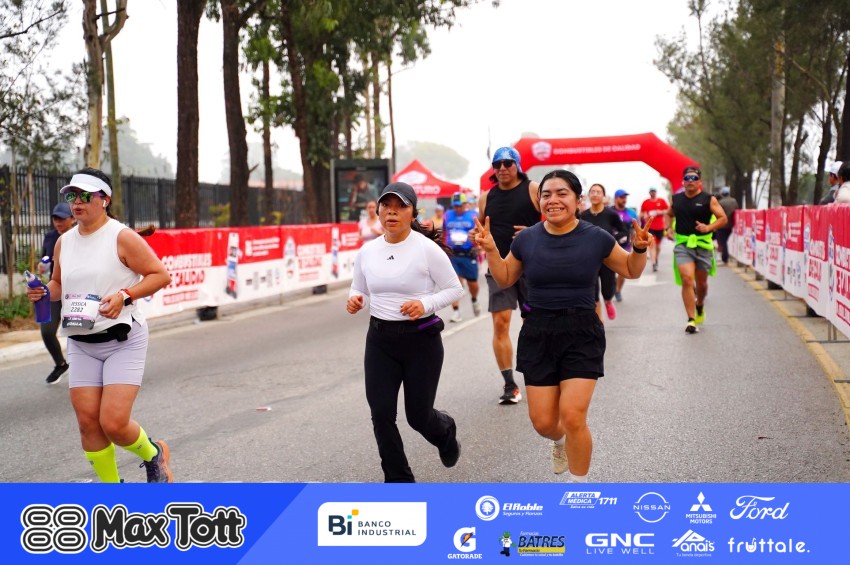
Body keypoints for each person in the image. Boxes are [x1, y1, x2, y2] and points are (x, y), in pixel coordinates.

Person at [473, 169, 651, 482]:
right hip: (538, 332)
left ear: (578, 200)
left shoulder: (596, 237)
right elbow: (505, 278)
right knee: (543, 423)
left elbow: (630, 269)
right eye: (546, 194)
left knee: (572, 416)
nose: (553, 200)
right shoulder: (527, 239)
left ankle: (578, 489)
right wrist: (491, 250)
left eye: (561, 193)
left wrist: (639, 248)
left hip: (582, 331)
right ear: (539, 201)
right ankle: (559, 442)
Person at [26, 168, 173, 483]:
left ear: (104, 200)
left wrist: (124, 295)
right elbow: (58, 284)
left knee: (114, 424)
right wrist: (43, 292)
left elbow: (160, 275)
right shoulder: (64, 242)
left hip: (122, 340)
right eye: (71, 195)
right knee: (88, 423)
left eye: (85, 195)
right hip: (81, 342)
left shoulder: (122, 237)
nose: (76, 202)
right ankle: (112, 491)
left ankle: (154, 454)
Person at [346, 182, 463, 483]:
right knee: (381, 414)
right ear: (379, 211)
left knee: (418, 417)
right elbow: (359, 288)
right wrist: (356, 299)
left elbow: (454, 289)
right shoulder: (367, 251)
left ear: (413, 213)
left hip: (420, 341)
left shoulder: (426, 249)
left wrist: (425, 304)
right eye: (386, 205)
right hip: (380, 341)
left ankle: (445, 431)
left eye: (400, 206)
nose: (392, 212)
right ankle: (399, 482)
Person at [476, 146, 540, 405]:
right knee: (500, 324)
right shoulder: (486, 197)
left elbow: (557, 220)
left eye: (507, 163)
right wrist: (476, 237)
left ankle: (537, 374)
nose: (502, 168)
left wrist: (534, 230)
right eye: (497, 164)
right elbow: (481, 228)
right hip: (498, 267)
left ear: (517, 165)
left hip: (531, 267)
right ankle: (510, 384)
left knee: (533, 323)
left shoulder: (533, 189)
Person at [665, 166, 727, 334]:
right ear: (683, 182)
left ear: (700, 181)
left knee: (701, 284)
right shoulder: (676, 199)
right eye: (687, 178)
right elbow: (668, 214)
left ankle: (699, 304)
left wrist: (708, 228)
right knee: (687, 279)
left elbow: (723, 218)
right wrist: (668, 229)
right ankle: (691, 319)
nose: (690, 181)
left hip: (703, 245)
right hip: (683, 244)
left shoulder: (708, 199)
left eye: (694, 178)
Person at [39, 202, 75, 384]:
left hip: (77, 292)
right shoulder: (50, 237)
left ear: (72, 219)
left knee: (78, 331)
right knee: (46, 331)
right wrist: (42, 266)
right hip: (56, 290)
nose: (58, 222)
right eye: (55, 218)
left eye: (62, 218)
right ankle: (61, 364)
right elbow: (44, 260)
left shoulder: (80, 236)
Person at [579, 183, 626, 320]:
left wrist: (614, 240)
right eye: (592, 192)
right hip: (589, 260)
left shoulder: (611, 214)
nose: (595, 194)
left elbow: (623, 231)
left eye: (598, 192)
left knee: (607, 289)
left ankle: (608, 301)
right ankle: (599, 322)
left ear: (603, 196)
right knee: (593, 294)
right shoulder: (583, 216)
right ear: (589, 195)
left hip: (607, 258)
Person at [444, 192, 481, 322]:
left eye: (460, 205)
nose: (457, 208)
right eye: (455, 206)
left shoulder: (473, 215)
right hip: (452, 254)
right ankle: (456, 311)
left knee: (473, 283)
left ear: (465, 204)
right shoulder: (447, 215)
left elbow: (480, 231)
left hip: (468, 254)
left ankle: (474, 299)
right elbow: (444, 232)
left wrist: (479, 245)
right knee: (454, 284)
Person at [611, 189, 638, 302]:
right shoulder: (609, 211)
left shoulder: (631, 212)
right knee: (610, 272)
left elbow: (635, 228)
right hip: (610, 245)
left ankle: (617, 290)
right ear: (616, 199)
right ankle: (612, 286)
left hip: (625, 245)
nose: (624, 199)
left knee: (623, 271)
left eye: (625, 197)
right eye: (621, 197)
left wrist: (634, 240)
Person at [640, 187, 669, 272]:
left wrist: (660, 212)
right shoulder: (645, 202)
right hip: (650, 227)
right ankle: (653, 264)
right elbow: (641, 213)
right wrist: (643, 216)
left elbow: (668, 211)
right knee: (652, 245)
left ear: (656, 192)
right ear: (649, 193)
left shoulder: (661, 201)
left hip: (660, 227)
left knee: (658, 247)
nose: (652, 193)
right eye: (651, 192)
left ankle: (655, 258)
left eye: (654, 192)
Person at [715, 187, 738, 264]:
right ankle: (725, 257)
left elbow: (717, 213)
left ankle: (725, 258)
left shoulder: (720, 202)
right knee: (726, 241)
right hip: (731, 225)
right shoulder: (734, 201)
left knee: (723, 242)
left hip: (722, 225)